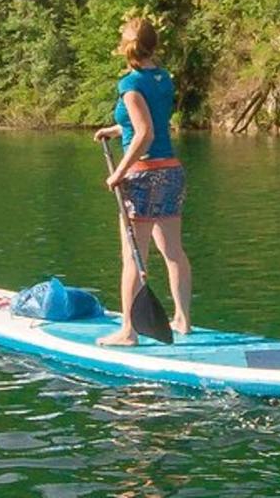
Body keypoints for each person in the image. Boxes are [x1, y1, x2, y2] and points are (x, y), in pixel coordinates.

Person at [93, 17, 192, 345]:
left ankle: (128, 331)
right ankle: (182, 319)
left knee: (134, 256)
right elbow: (150, 123)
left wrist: (119, 172)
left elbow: (146, 134)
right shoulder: (164, 79)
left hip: (144, 175)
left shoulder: (130, 84)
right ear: (154, 44)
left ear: (125, 48)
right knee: (173, 250)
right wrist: (115, 129)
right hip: (172, 172)